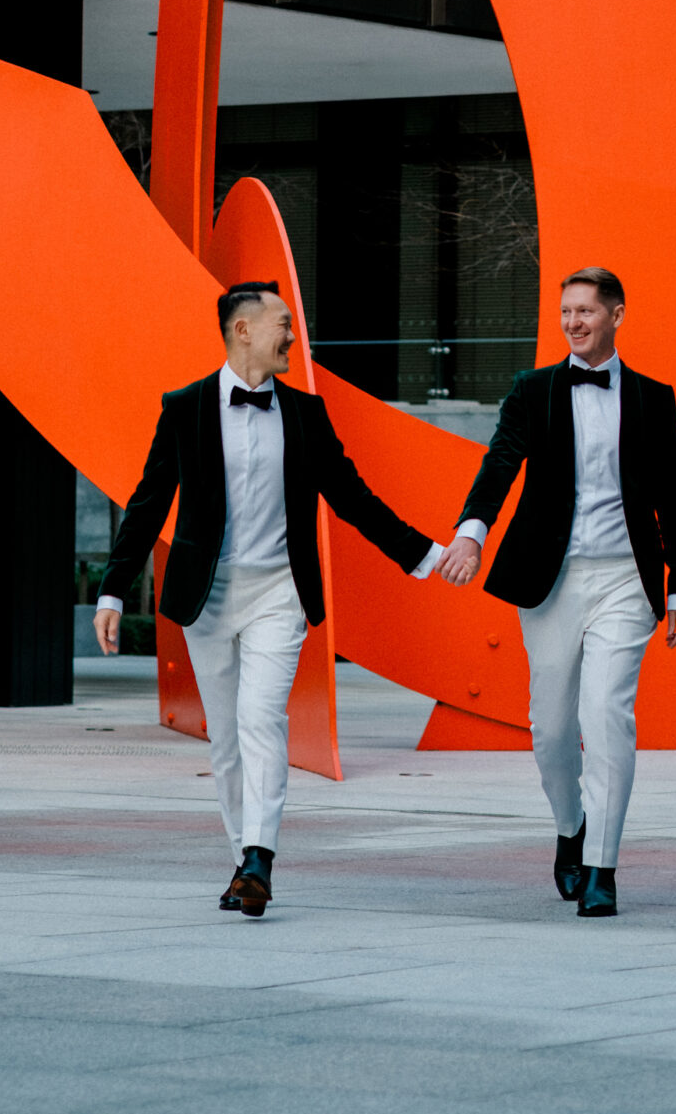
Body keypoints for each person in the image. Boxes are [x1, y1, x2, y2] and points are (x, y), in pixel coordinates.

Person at [94, 280, 444, 918]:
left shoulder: (305, 413)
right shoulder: (185, 408)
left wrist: (423, 555)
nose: (292, 336)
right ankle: (243, 862)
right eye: (283, 323)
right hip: (208, 596)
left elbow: (353, 497)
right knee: (226, 739)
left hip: (279, 592)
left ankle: (260, 858)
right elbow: (148, 503)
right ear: (243, 329)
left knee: (262, 718)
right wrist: (114, 589)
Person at [436, 266, 676, 918]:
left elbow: (675, 498)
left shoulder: (652, 398)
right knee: (552, 730)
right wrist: (471, 533)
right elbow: (499, 462)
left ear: (617, 315)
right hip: (550, 582)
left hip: (624, 584)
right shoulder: (535, 390)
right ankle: (571, 826)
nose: (574, 322)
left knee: (607, 717)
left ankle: (604, 867)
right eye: (566, 313)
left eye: (586, 311)